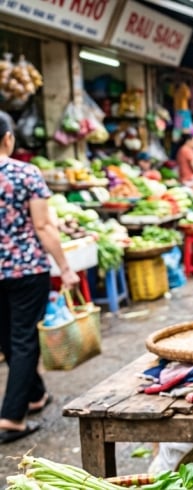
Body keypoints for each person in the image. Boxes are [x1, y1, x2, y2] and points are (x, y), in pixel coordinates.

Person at [0, 110, 79, 443]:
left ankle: (35, 395)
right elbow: (44, 226)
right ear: (8, 138)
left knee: (8, 336)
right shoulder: (25, 173)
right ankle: (11, 417)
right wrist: (65, 266)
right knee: (24, 340)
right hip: (26, 268)